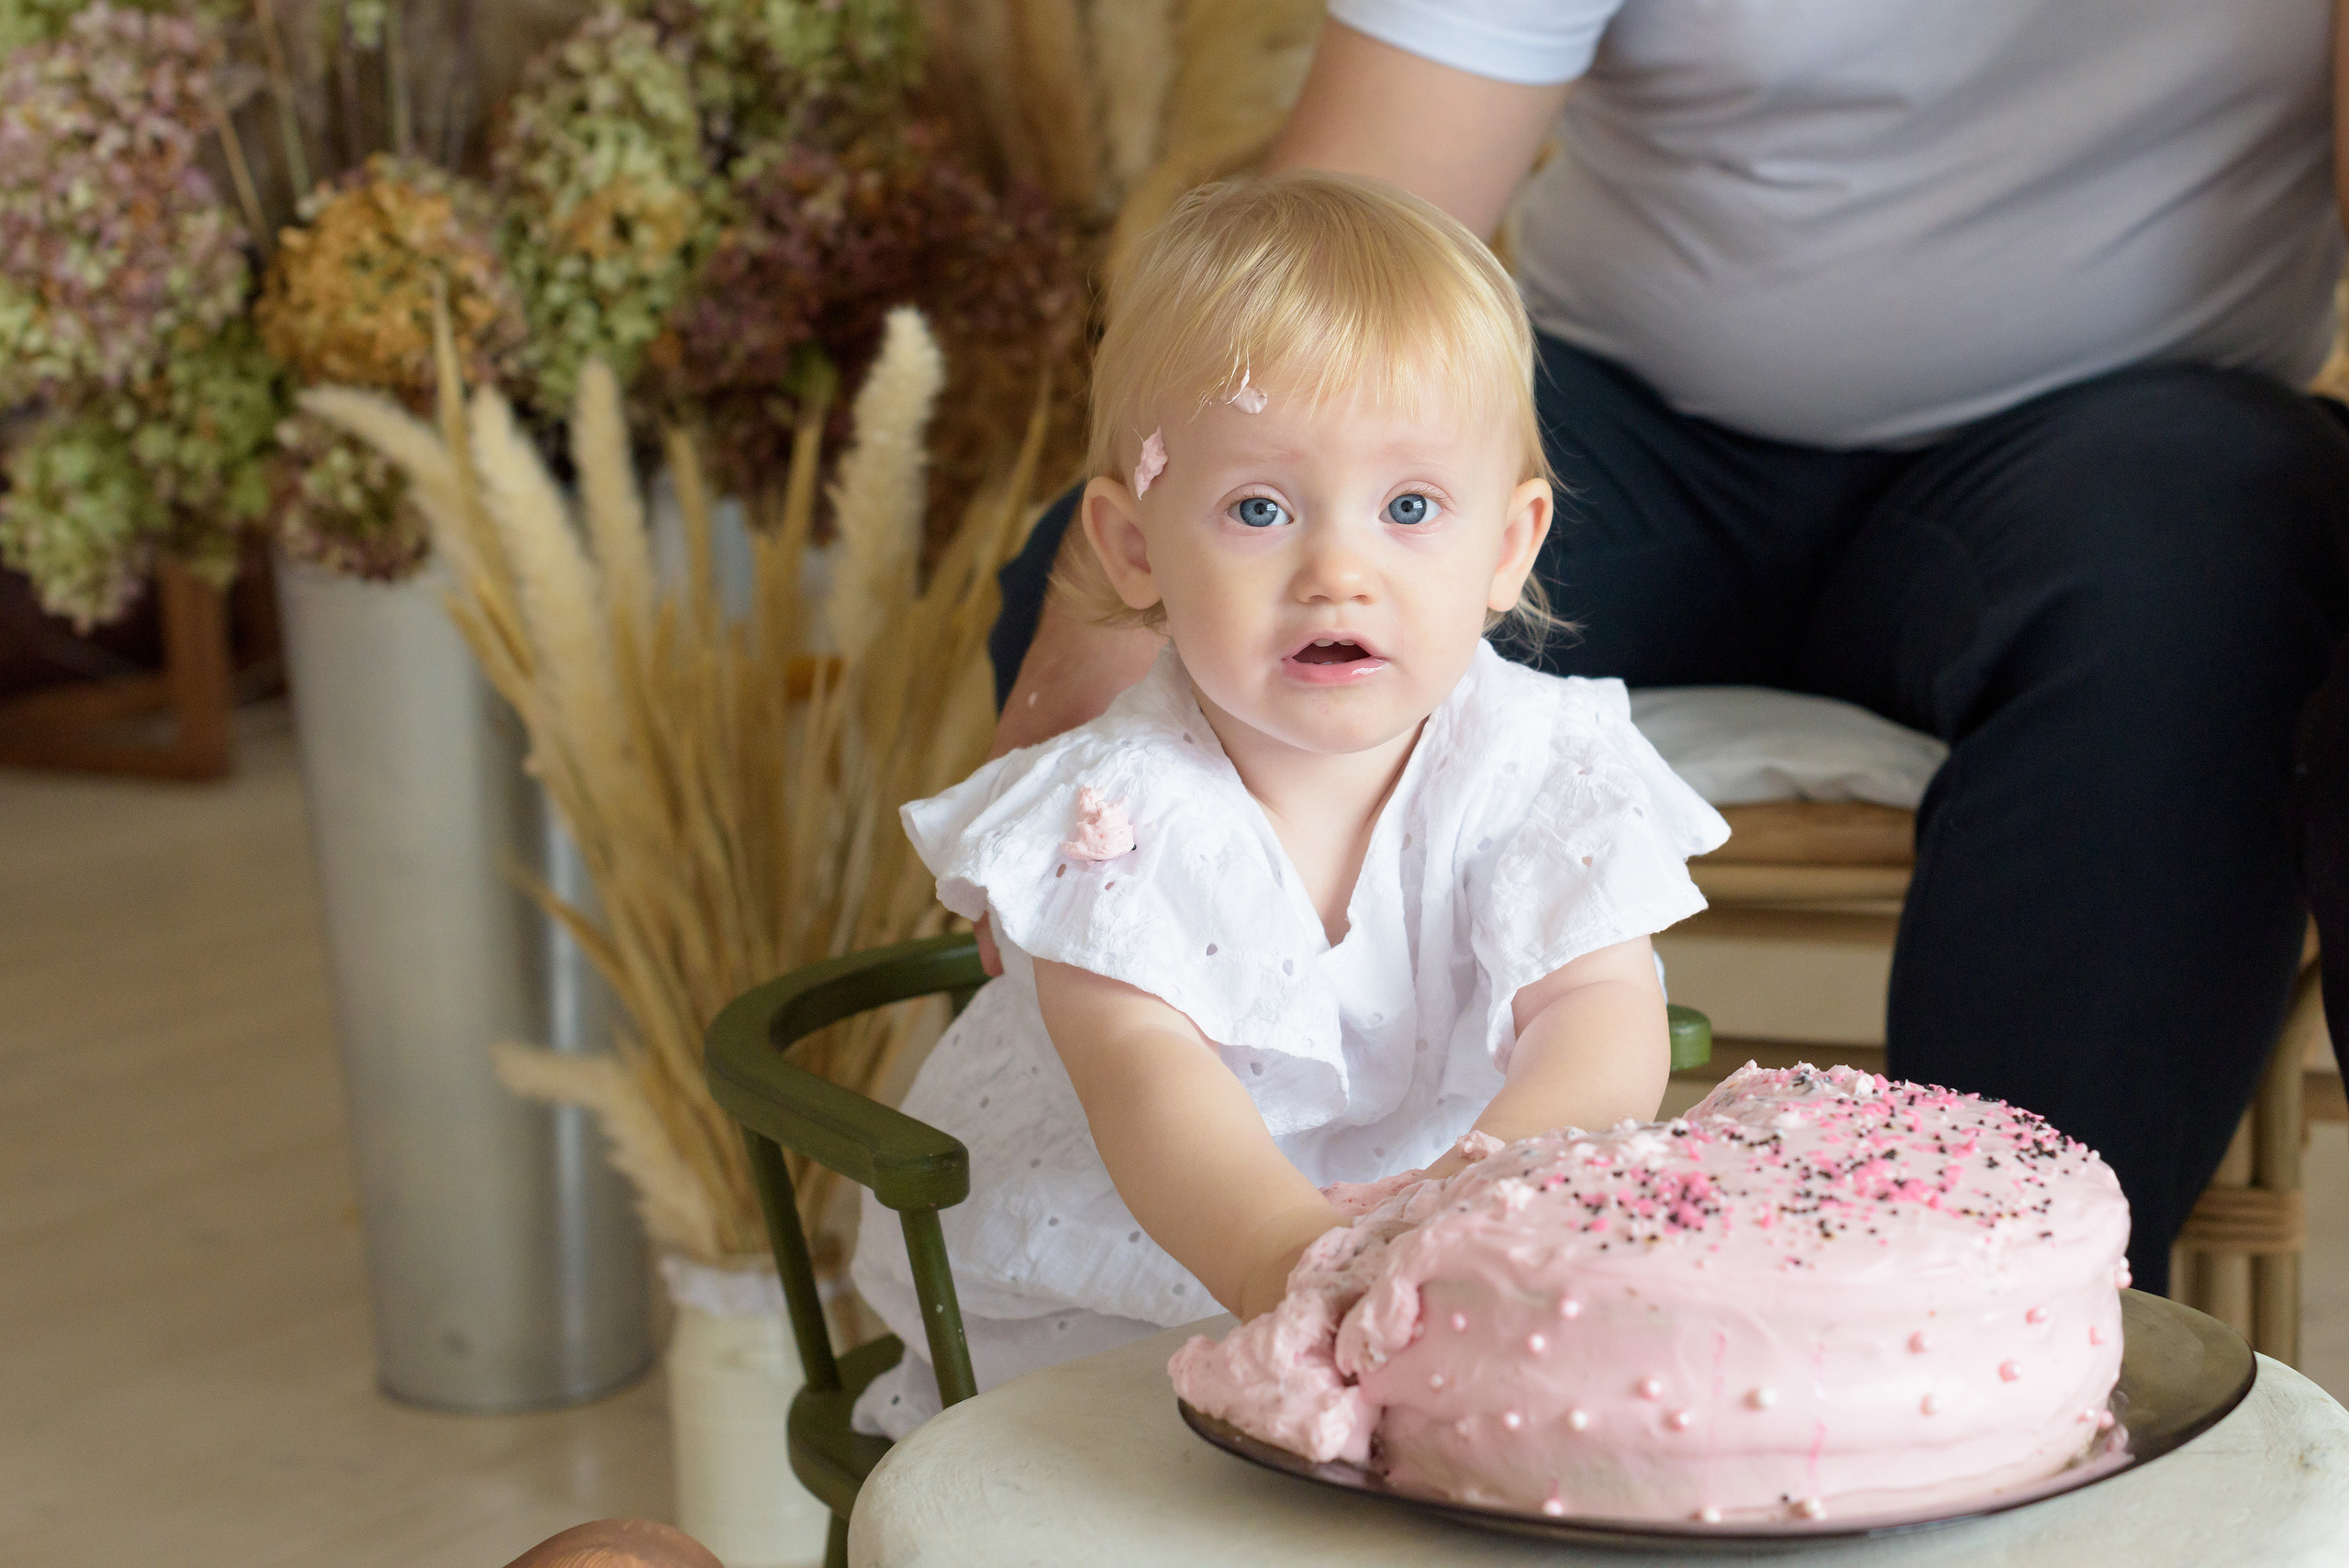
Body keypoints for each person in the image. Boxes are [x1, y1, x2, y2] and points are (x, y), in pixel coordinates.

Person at [986, 6, 2349, 1297]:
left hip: (2126, 456)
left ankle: (2002, 1325)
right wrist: (1086, 748)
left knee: (2207, 589)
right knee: (1174, 547)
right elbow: (1356, 213)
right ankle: (1250, 1257)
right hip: (1633, 426)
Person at [848, 172, 1729, 1438]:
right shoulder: (1117, 811)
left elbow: (1598, 1014)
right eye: (1259, 508)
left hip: (1443, 1253)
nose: (1337, 572)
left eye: (1410, 507)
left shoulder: (1540, 761)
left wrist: (1467, 1201)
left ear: (1509, 545)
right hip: (1112, 1291)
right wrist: (1284, 1261)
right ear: (1134, 545)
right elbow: (1149, 1078)